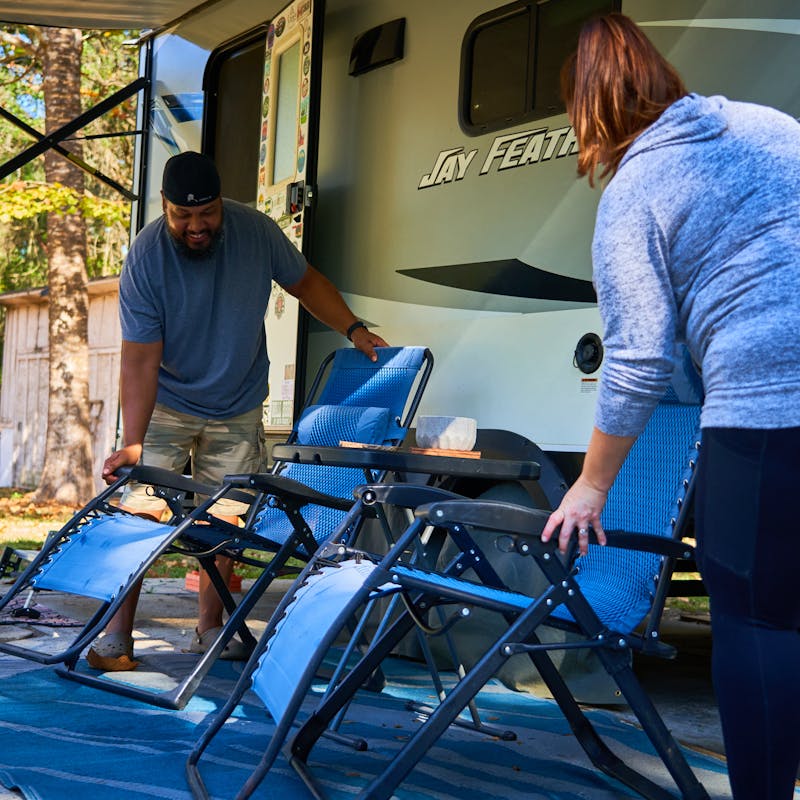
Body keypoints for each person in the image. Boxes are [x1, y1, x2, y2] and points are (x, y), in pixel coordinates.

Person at [540, 14, 800, 800]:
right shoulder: (770, 124)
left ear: (589, 112)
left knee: (759, 617)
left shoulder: (635, 191)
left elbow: (639, 357)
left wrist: (590, 484)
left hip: (768, 409)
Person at [91, 150, 388, 671]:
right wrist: (134, 441)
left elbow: (307, 283)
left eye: (206, 213)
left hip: (237, 401)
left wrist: (354, 328)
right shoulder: (145, 256)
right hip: (167, 401)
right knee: (135, 508)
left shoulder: (256, 232)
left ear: (220, 203)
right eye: (183, 216)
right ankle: (117, 634)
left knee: (225, 516)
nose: (196, 226)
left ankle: (210, 627)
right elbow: (139, 358)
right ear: (164, 207)